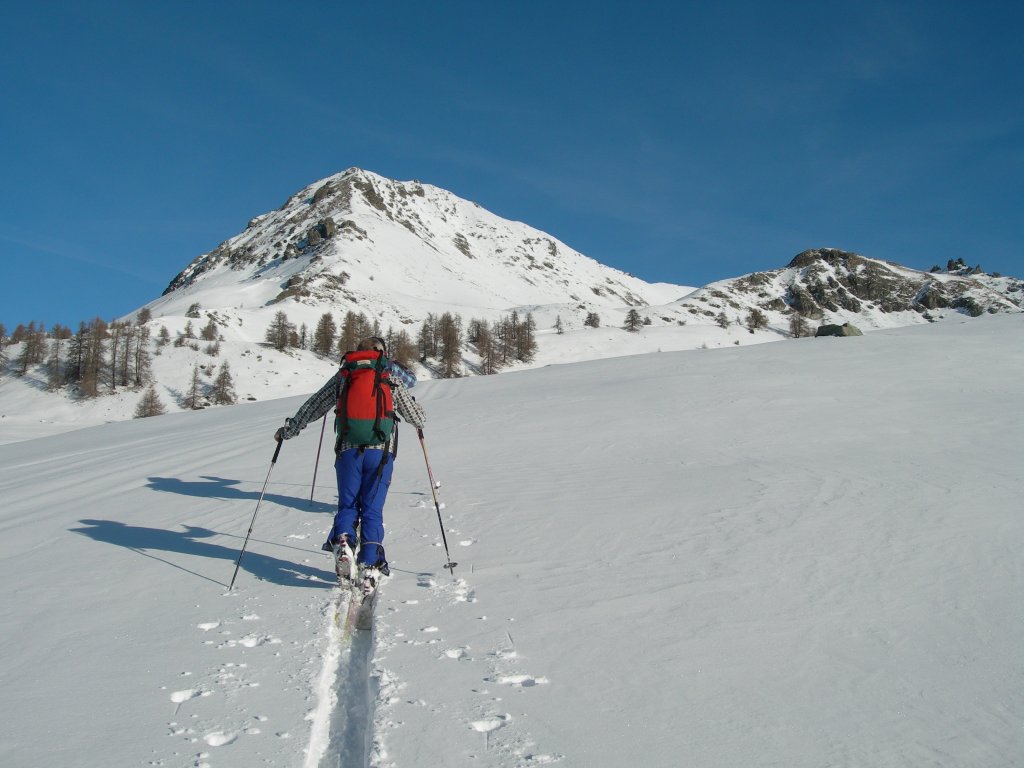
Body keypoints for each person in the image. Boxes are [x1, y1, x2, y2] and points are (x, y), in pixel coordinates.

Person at [274, 336, 425, 590]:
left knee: (348, 504)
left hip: (347, 451)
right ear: (382, 353)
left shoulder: (345, 376)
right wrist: (418, 418)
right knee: (372, 509)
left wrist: (288, 430)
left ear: (358, 352)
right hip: (380, 453)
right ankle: (369, 566)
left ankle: (343, 540)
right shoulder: (390, 376)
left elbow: (314, 406)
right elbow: (417, 416)